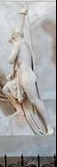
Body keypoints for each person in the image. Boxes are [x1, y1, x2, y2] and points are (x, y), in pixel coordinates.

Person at [3, 7, 54, 135]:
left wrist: (12, 44)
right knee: (6, 89)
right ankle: (20, 110)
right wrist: (22, 14)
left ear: (14, 37)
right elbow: (20, 63)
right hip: (21, 76)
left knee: (35, 100)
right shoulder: (24, 45)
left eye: (12, 38)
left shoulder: (18, 44)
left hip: (26, 76)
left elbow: (11, 60)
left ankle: (50, 127)